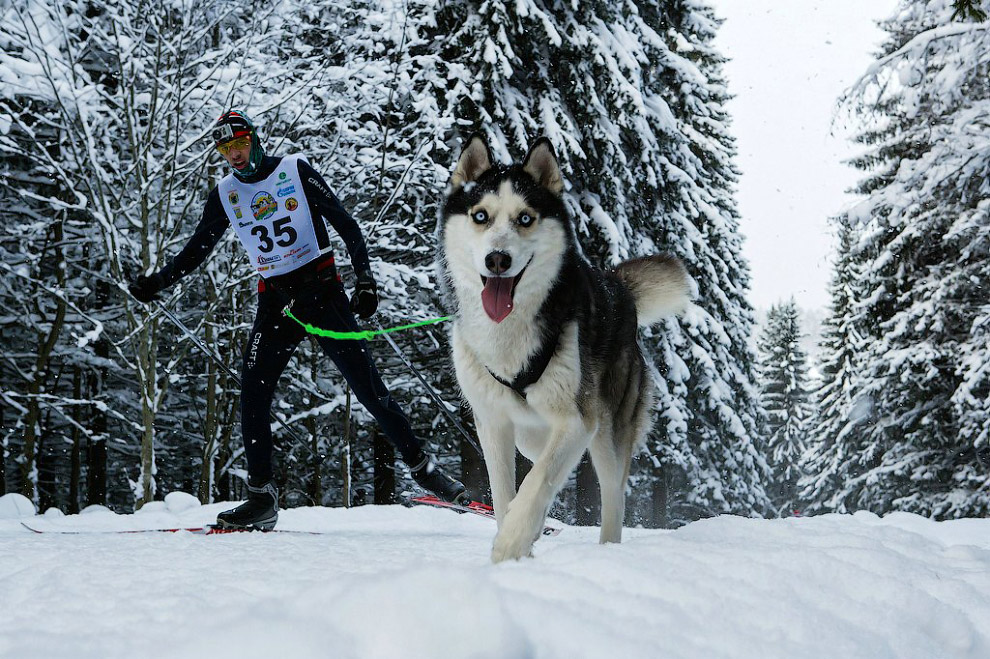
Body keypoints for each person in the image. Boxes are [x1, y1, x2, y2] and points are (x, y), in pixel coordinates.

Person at [129, 110, 466, 530]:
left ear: (254, 139)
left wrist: (364, 280)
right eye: (225, 149)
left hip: (323, 293)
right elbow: (199, 248)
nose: (234, 155)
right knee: (252, 390)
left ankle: (428, 473)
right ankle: (261, 498)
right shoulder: (226, 193)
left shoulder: (294, 170)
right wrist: (157, 282)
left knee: (368, 389)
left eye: (239, 144)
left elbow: (347, 225)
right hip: (277, 304)